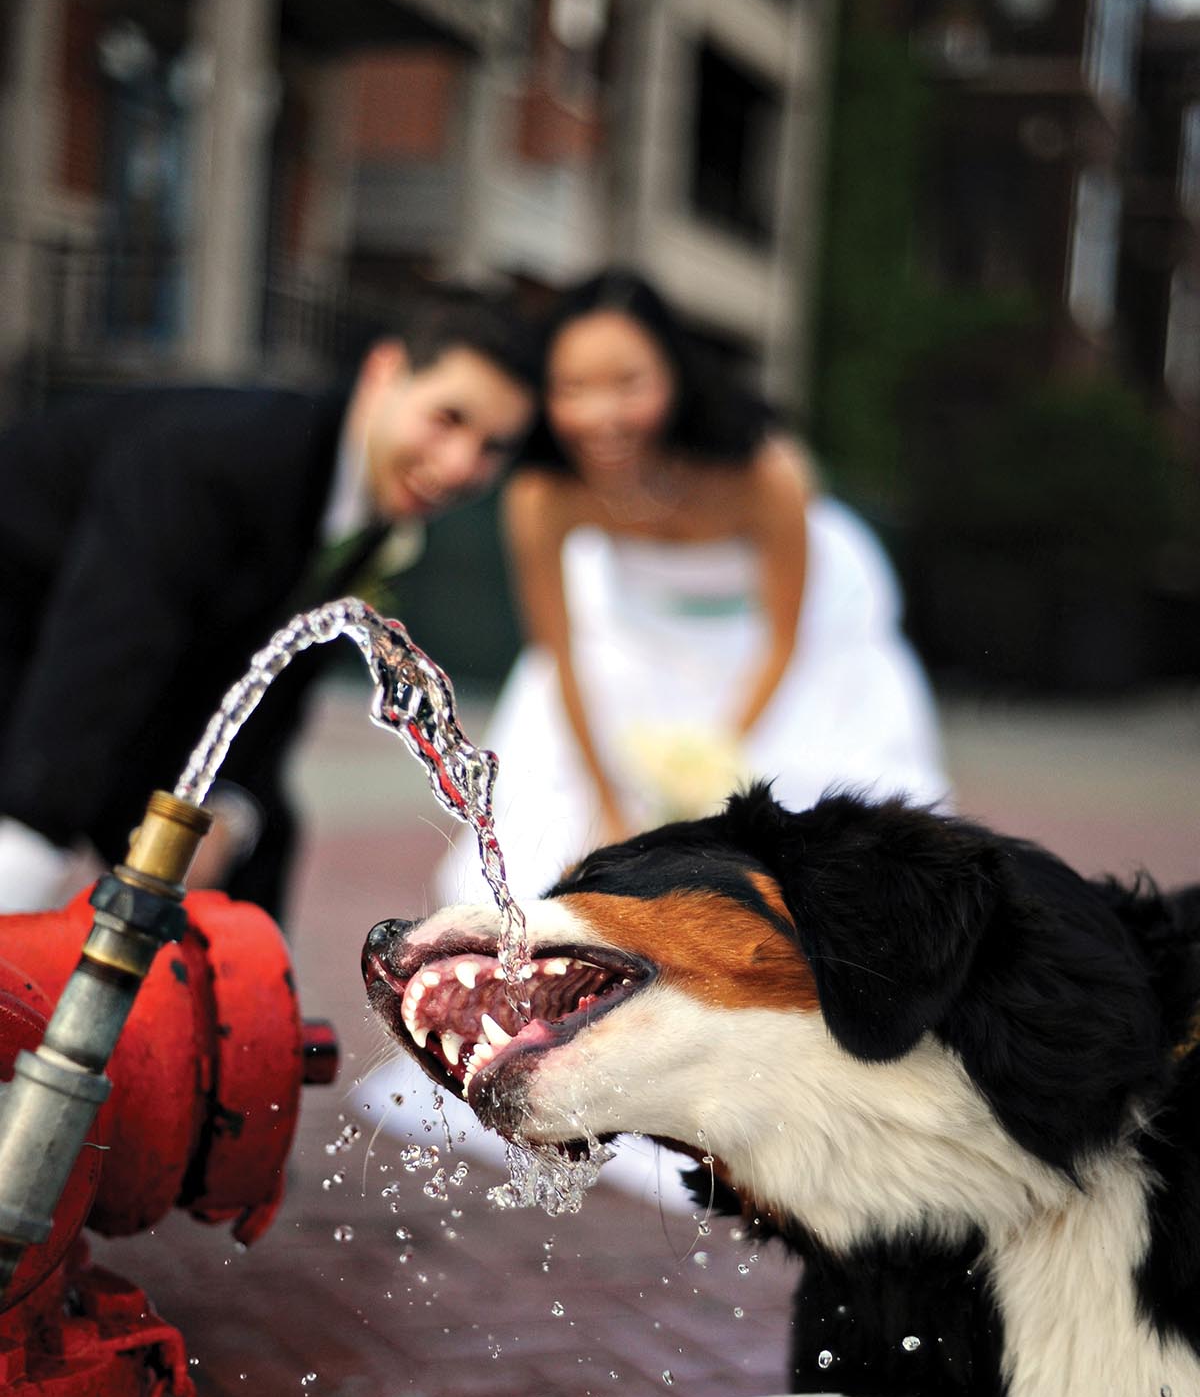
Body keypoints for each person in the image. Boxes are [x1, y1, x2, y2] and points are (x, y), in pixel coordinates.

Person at [0, 290, 536, 920]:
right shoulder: (223, 457)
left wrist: (230, 811)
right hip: (37, 655)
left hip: (104, 674)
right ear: (384, 371)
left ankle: (239, 1009)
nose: (457, 466)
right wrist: (30, 852)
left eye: (493, 448)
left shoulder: (365, 507)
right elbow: (102, 661)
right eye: (448, 418)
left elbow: (271, 687)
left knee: (260, 836)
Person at [436, 269, 949, 905]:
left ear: (673, 373)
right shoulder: (543, 494)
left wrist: (706, 775)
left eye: (628, 383)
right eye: (574, 387)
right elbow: (558, 659)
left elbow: (786, 638)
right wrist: (609, 806)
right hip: (636, 632)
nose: (602, 415)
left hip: (780, 640)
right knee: (556, 847)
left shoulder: (765, 473)